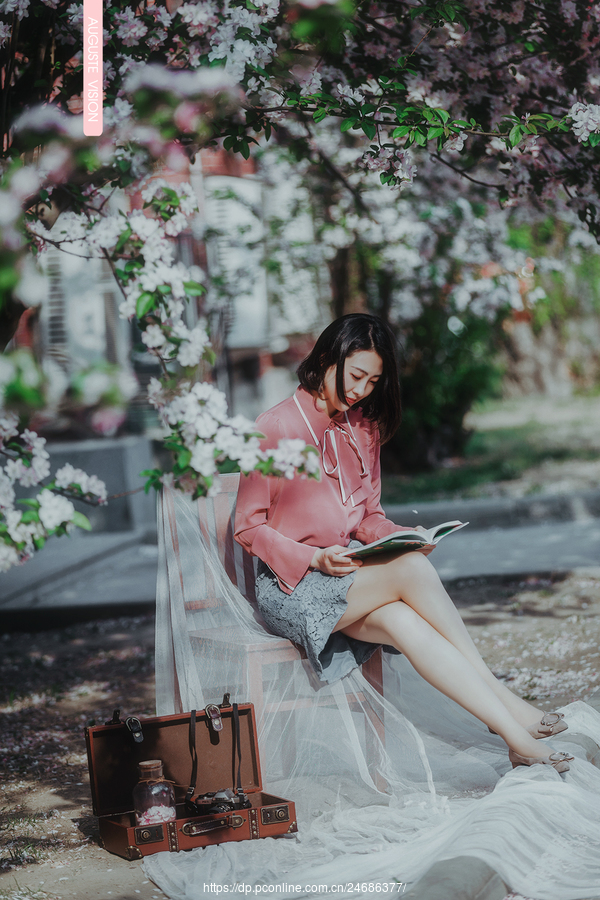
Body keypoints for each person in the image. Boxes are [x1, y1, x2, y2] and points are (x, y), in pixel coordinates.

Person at [234, 313, 572, 772]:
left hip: (349, 579)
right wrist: (314, 557)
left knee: (403, 619)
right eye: (355, 376)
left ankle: (515, 738)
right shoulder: (274, 427)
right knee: (411, 573)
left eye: (373, 381)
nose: (361, 390)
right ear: (327, 358)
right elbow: (247, 526)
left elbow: (369, 515)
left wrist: (401, 538)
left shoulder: (363, 429)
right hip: (292, 589)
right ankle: (509, 704)